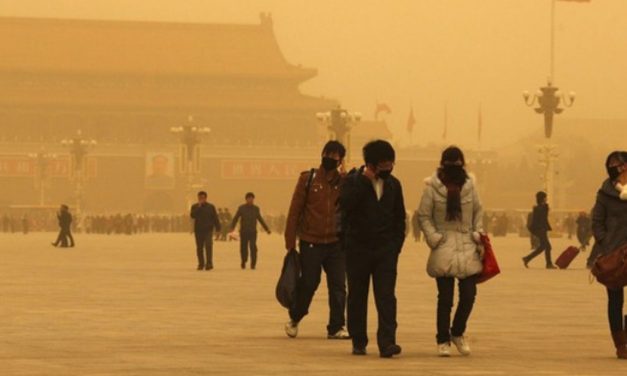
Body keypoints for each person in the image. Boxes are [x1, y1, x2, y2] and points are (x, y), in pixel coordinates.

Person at [340, 140, 406, 358]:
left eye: (391, 164)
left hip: (385, 251)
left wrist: (395, 246)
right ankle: (359, 341)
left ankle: (387, 342)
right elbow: (346, 206)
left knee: (386, 296)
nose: (388, 168)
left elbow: (399, 219)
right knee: (357, 296)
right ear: (371, 164)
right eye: (384, 164)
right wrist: (363, 182)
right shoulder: (352, 181)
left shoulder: (394, 185)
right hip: (358, 249)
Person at [417, 146, 484, 357]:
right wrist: (433, 237)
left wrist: (478, 233)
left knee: (469, 295)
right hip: (444, 244)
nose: (454, 166)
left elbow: (478, 211)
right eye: (450, 162)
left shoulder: (471, 186)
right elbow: (424, 215)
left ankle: (457, 332)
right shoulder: (431, 188)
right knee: (445, 298)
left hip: (467, 243)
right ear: (443, 163)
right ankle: (442, 339)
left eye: (457, 162)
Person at [284, 140, 350, 341]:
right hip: (310, 240)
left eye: (335, 156)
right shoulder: (308, 179)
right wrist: (290, 241)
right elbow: (295, 210)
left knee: (338, 285)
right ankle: (295, 317)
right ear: (322, 154)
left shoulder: (344, 182)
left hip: (335, 243)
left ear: (341, 160)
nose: (330, 158)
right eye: (328, 154)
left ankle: (336, 326)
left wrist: (347, 178)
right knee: (309, 282)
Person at [591, 151, 627, 359]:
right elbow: (597, 222)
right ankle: (620, 344)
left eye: (621, 164)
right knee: (615, 299)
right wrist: (606, 243)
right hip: (614, 252)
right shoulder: (605, 193)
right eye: (614, 165)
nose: (618, 169)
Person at [230, 192, 271, 270]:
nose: (250, 200)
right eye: (249, 198)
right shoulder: (241, 208)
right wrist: (232, 227)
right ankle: (244, 260)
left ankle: (253, 263)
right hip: (243, 231)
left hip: (253, 232)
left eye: (252, 198)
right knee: (243, 247)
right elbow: (236, 218)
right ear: (246, 199)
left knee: (253, 247)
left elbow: (260, 219)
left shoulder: (256, 209)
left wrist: (267, 229)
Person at [522, 191, 556, 269]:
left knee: (543, 247)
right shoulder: (540, 208)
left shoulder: (540, 208)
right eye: (545, 197)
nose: (546, 199)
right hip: (540, 230)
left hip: (541, 229)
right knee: (547, 247)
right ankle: (548, 264)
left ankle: (527, 258)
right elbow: (540, 219)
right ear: (542, 198)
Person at [190, 191, 220, 271]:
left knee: (208, 246)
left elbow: (215, 218)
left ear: (206, 198)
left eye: (203, 198)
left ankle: (209, 263)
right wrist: (199, 207)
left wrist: (218, 229)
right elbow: (192, 215)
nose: (201, 199)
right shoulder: (195, 206)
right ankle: (201, 263)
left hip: (208, 230)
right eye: (200, 198)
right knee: (199, 248)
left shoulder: (211, 207)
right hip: (198, 230)